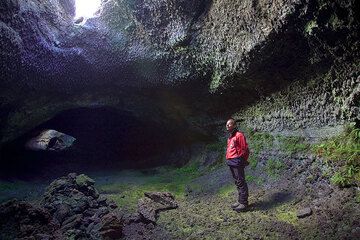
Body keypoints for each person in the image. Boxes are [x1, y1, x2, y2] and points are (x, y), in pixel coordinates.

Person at [225, 118, 249, 212]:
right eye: (226, 124)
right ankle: (240, 201)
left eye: (229, 124)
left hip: (236, 161)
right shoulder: (230, 137)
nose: (227, 126)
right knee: (237, 181)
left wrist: (241, 160)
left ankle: (244, 203)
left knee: (240, 181)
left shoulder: (239, 135)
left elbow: (245, 149)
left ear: (234, 125)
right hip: (231, 162)